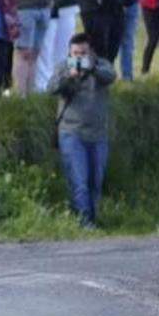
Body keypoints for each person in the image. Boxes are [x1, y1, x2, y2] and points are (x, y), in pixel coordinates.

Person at [47, 33, 115, 228]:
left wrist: (92, 68)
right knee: (79, 181)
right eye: (75, 53)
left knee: (95, 180)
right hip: (71, 132)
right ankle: (84, 221)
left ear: (91, 52)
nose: (78, 57)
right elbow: (51, 87)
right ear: (70, 52)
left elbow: (111, 76)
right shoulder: (63, 67)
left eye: (83, 53)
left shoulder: (101, 65)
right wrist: (69, 76)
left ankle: (90, 218)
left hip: (98, 133)